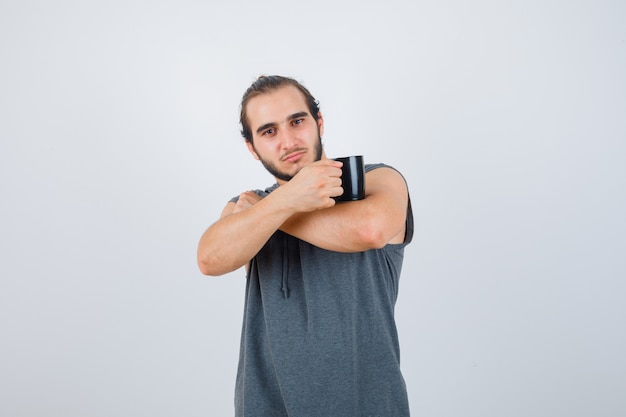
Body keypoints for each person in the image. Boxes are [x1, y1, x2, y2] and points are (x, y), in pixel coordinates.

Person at [197, 75, 414, 417]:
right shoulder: (248, 206)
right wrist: (283, 202)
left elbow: (371, 229)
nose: (288, 140)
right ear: (252, 147)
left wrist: (276, 209)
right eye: (269, 131)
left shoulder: (377, 178)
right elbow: (210, 258)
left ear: (319, 122)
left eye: (297, 121)